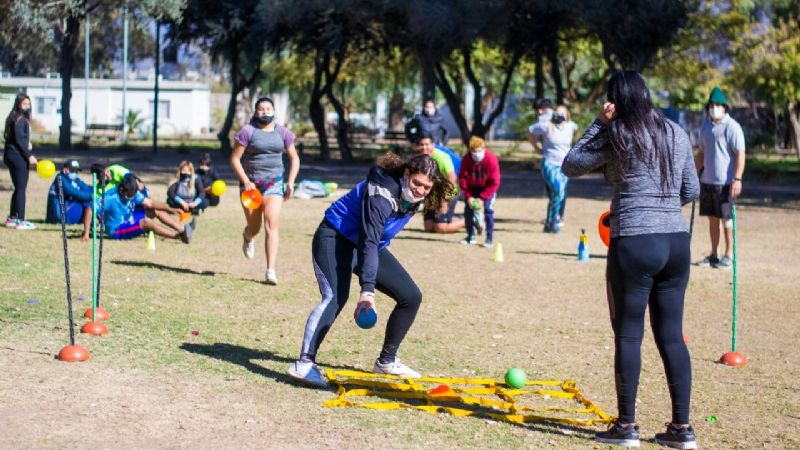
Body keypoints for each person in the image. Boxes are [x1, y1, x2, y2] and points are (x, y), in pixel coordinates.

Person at [562, 70, 700, 449]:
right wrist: (664, 208)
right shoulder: (677, 132)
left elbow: (571, 164)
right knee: (672, 335)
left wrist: (598, 123)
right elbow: (691, 188)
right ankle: (682, 430)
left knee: (628, 334)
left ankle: (626, 427)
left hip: (635, 241)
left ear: (615, 101)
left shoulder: (617, 132)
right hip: (676, 242)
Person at [286, 153, 452, 388]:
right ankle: (303, 364)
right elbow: (370, 241)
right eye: (416, 183)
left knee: (411, 297)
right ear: (406, 174)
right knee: (335, 297)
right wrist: (367, 291)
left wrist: (448, 190)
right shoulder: (381, 193)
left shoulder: (422, 191)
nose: (420, 191)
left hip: (367, 247)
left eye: (427, 187)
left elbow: (449, 191)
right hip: (335, 238)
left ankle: (386, 361)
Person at [230, 96, 300, 285]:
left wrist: (290, 183)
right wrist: (245, 180)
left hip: (274, 184)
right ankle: (247, 236)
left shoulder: (283, 133)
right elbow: (235, 159)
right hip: (251, 186)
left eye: (268, 109)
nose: (265, 112)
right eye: (261, 109)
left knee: (272, 224)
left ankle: (270, 270)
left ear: (273, 111)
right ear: (255, 111)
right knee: (255, 228)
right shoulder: (248, 131)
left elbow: (294, 158)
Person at [695, 86, 745, 270]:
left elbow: (740, 154)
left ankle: (728, 255)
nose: (714, 108)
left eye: (718, 105)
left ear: (724, 107)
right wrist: (694, 173)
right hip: (707, 181)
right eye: (711, 105)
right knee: (712, 219)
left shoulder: (732, 127)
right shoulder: (706, 126)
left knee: (727, 220)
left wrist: (737, 179)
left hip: (726, 183)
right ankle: (714, 254)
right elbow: (701, 152)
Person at [98, 172, 192, 243]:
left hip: (128, 218)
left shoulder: (131, 191)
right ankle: (178, 236)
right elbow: (91, 208)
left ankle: (182, 229)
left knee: (154, 210)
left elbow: (150, 203)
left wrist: (170, 209)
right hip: (117, 229)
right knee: (147, 223)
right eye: (131, 195)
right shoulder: (110, 197)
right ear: (122, 190)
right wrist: (86, 234)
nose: (132, 197)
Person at [528, 105, 579, 233]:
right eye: (556, 112)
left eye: (562, 113)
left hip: (565, 165)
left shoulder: (571, 126)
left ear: (567, 115)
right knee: (558, 189)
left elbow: (577, 131)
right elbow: (530, 131)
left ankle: (550, 222)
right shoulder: (546, 126)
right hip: (549, 163)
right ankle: (554, 221)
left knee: (558, 194)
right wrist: (536, 148)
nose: (558, 115)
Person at [413, 132, 463, 233]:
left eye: (427, 144)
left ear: (433, 145)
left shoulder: (442, 157)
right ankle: (447, 220)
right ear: (417, 147)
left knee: (440, 228)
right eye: (421, 145)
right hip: (432, 194)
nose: (424, 147)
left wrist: (444, 201)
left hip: (449, 192)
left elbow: (452, 179)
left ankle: (470, 220)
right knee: (429, 228)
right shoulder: (418, 159)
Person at [459, 136, 501, 247]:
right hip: (472, 188)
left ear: (484, 148)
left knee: (488, 210)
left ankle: (489, 238)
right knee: (468, 211)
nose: (477, 154)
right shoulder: (466, 159)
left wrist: (483, 198)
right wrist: (468, 197)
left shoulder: (491, 159)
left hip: (487, 188)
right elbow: (463, 179)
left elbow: (495, 182)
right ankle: (470, 236)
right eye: (474, 151)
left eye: (479, 151)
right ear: (470, 150)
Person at [3, 93, 37, 230]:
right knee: (21, 188)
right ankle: (21, 220)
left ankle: (12, 217)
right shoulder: (19, 120)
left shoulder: (13, 118)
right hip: (17, 157)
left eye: (28, 104)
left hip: (11, 155)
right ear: (18, 104)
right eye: (24, 104)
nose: (27, 106)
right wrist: (29, 155)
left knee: (18, 187)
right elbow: (19, 141)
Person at [45, 160, 93, 241]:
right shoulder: (60, 179)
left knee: (87, 201)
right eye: (73, 171)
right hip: (59, 216)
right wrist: (91, 196)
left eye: (76, 171)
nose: (75, 173)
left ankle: (90, 224)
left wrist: (91, 194)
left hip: (67, 210)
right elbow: (75, 193)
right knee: (87, 203)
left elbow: (88, 188)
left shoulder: (74, 180)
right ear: (65, 170)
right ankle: (88, 230)